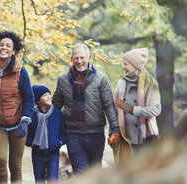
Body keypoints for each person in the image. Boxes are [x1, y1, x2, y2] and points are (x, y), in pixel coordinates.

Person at [52, 43, 120, 174]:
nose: (79, 61)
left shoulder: (101, 79)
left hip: (96, 134)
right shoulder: (63, 80)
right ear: (71, 59)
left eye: (82, 57)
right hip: (73, 135)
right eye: (76, 58)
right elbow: (55, 107)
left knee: (94, 173)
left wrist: (115, 130)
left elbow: (108, 106)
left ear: (89, 58)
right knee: (81, 174)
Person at [0, 31, 34, 184]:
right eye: (1, 45)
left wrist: (25, 120)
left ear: (13, 51)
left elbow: (29, 98)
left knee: (15, 164)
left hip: (18, 123)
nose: (4, 48)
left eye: (8, 46)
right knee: (0, 160)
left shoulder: (20, 71)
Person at [113, 48, 161, 162]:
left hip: (148, 140)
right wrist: (113, 132)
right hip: (127, 140)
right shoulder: (121, 83)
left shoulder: (151, 83)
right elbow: (114, 110)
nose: (123, 67)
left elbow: (156, 110)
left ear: (135, 65)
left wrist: (132, 110)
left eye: (126, 64)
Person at [26, 85, 66, 183]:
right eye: (45, 95)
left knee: (53, 180)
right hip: (37, 154)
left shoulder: (57, 114)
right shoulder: (31, 115)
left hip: (53, 154)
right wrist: (31, 143)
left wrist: (59, 142)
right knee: (39, 181)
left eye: (49, 94)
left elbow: (64, 133)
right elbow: (26, 135)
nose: (49, 97)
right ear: (38, 100)